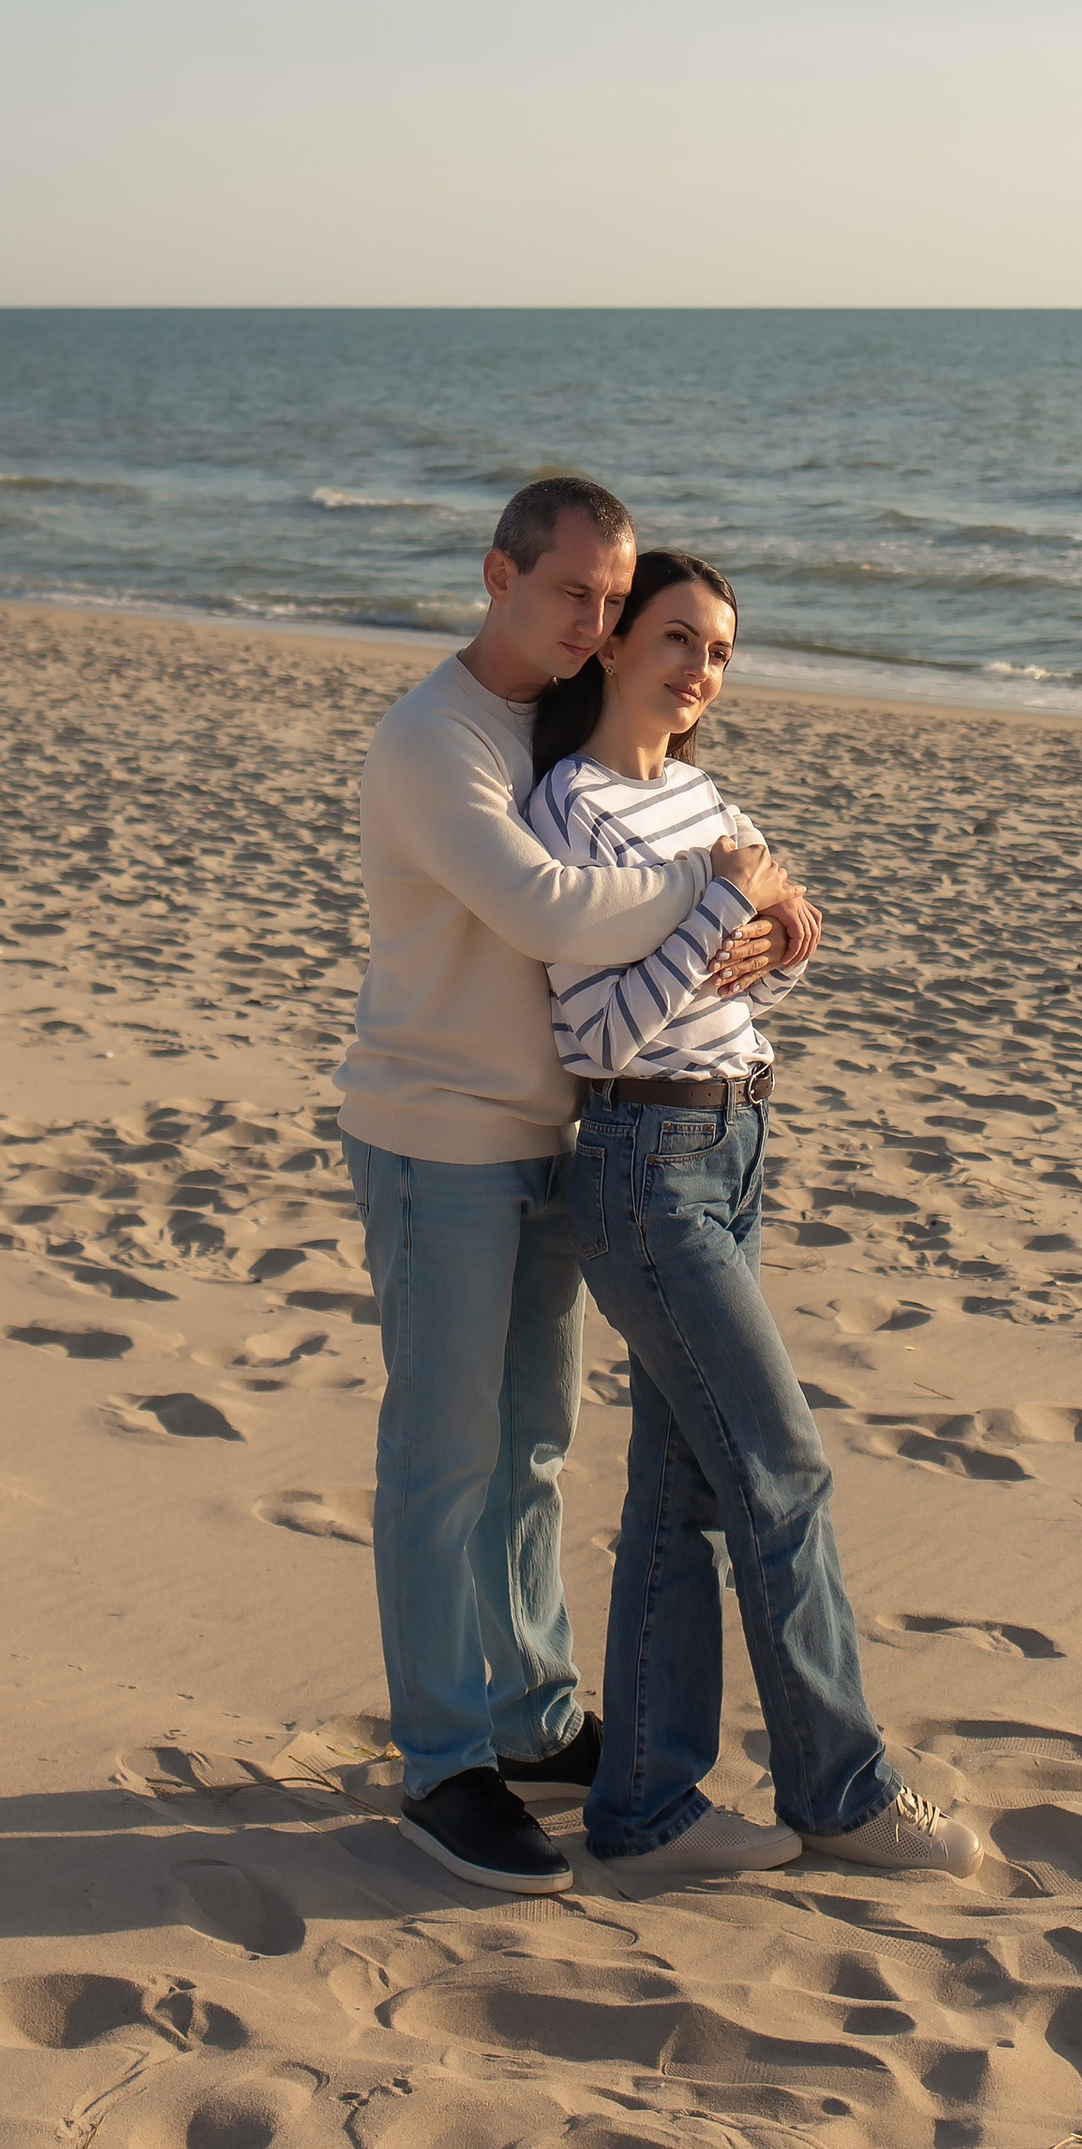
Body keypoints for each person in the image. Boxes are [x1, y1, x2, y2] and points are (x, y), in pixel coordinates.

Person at [333, 475, 794, 1895]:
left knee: (534, 1444)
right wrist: (726, 886)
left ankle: (531, 1718)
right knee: (442, 1455)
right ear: (499, 576)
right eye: (571, 593)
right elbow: (546, 907)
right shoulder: (435, 740)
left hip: (558, 1134)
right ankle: (441, 1764)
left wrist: (766, 897)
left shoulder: (550, 724)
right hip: (438, 1134)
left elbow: (658, 834)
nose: (596, 621)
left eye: (612, 598)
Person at [527, 550, 983, 1883]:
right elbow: (599, 1033)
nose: (699, 672)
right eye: (678, 639)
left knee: (683, 1491)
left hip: (736, 1147)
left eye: (721, 653)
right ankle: (839, 1790)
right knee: (782, 1471)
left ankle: (645, 1810)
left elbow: (744, 979)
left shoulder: (701, 796)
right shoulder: (575, 810)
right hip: (644, 1163)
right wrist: (737, 899)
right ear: (616, 642)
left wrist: (782, 932)